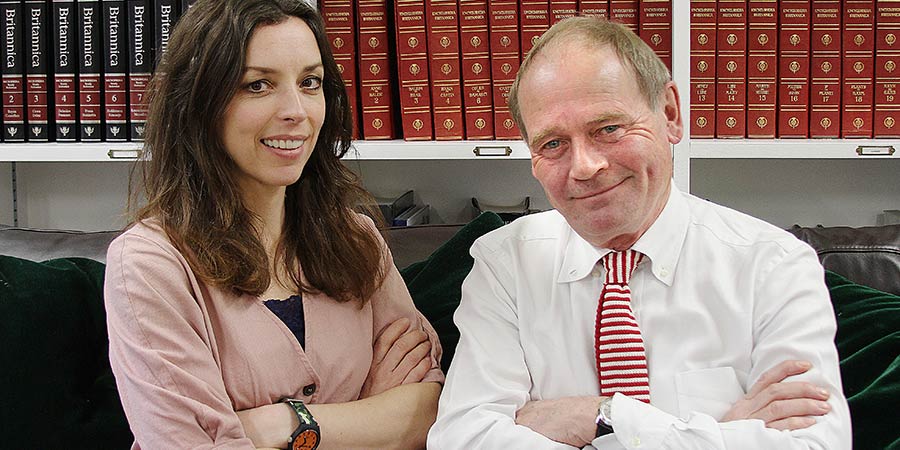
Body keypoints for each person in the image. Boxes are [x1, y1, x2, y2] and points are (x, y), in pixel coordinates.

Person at [428, 17, 851, 449]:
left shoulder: (775, 266)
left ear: (670, 114)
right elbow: (462, 439)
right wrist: (718, 433)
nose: (584, 167)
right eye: (553, 144)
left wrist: (601, 417)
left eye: (608, 129)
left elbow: (818, 445)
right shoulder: (505, 266)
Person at [103, 1, 443, 449]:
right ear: (200, 104)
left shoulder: (358, 239)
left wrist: (283, 424)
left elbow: (431, 416)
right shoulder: (149, 266)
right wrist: (370, 419)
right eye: (258, 85)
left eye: (310, 82)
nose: (296, 111)